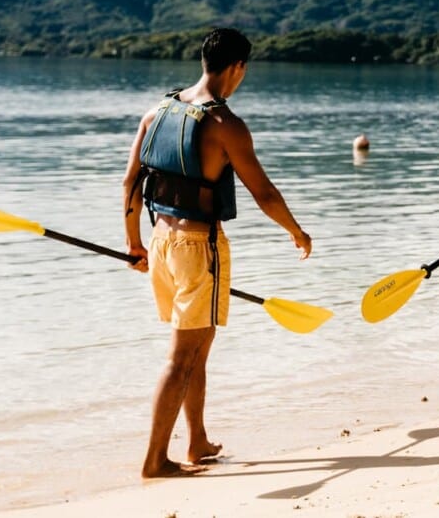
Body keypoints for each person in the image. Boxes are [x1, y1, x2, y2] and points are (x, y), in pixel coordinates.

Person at [120, 27, 313, 478]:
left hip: (161, 241)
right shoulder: (226, 125)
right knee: (181, 356)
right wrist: (297, 232)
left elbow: (130, 183)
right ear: (238, 67)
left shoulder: (156, 112)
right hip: (198, 247)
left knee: (197, 348)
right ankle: (155, 460)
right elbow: (264, 192)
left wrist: (133, 243)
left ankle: (197, 442)